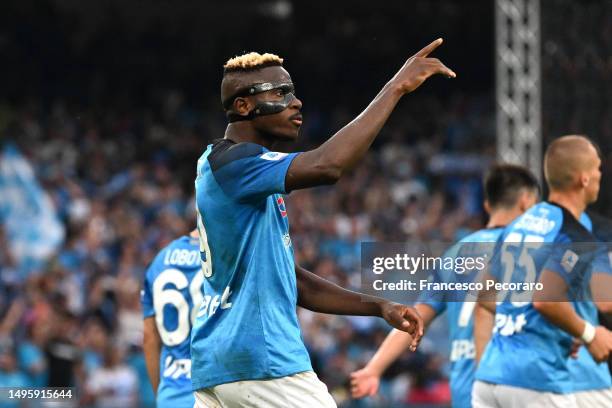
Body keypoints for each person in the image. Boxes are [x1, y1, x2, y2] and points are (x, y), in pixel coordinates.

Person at [191, 39, 456, 407]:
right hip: (263, 360)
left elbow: (293, 281)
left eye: (293, 92)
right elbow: (328, 166)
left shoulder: (229, 169)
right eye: (280, 93)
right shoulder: (235, 165)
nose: (295, 102)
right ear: (243, 105)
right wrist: (395, 87)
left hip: (219, 366)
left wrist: (378, 306)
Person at [349, 164, 540, 408]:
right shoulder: (530, 251)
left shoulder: (453, 255)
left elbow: (413, 319)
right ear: (526, 202)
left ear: (488, 206)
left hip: (466, 392)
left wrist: (373, 369)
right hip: (515, 387)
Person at [473, 135, 612, 407]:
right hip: (537, 380)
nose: (599, 175)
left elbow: (485, 295)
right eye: (597, 168)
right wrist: (589, 333)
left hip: (489, 380)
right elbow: (545, 300)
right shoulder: (575, 235)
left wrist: (559, 330)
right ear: (584, 178)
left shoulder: (519, 224)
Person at [141, 230, 202, 408]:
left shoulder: (159, 260)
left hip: (171, 394)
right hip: (212, 391)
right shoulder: (222, 257)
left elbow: (149, 337)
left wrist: (160, 393)